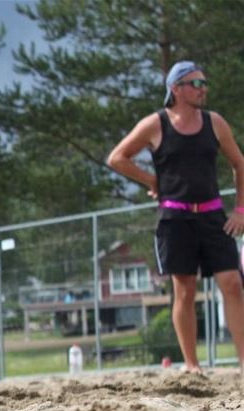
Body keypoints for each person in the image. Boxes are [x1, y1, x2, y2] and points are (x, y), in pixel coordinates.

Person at [107, 61, 244, 374]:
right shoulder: (156, 124)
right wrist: (151, 181)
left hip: (213, 217)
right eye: (196, 83)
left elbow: (240, 164)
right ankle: (192, 366)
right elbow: (117, 158)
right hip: (175, 219)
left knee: (233, 283)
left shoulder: (215, 123)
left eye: (204, 83)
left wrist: (240, 210)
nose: (203, 89)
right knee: (185, 289)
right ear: (176, 88)